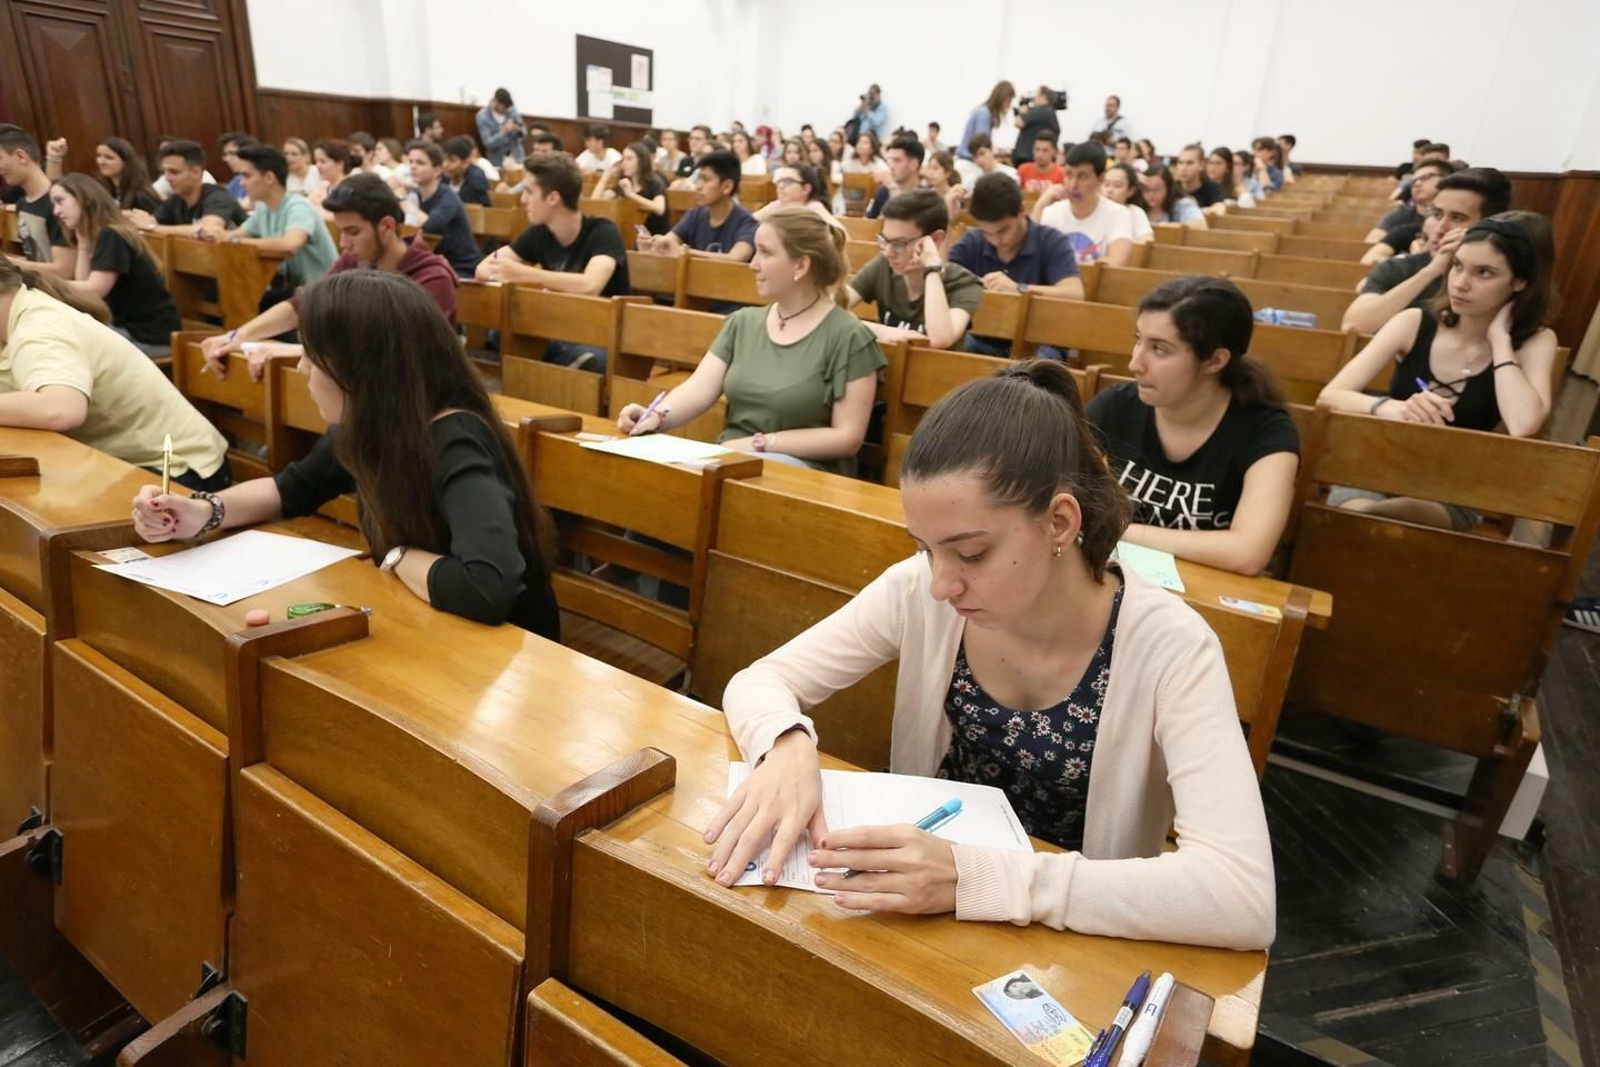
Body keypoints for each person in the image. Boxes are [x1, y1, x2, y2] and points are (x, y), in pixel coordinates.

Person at [704, 358, 1275, 950]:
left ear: (1060, 522)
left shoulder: (1171, 647)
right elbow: (761, 680)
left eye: (971, 554)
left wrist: (975, 878)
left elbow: (1241, 896)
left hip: (1080, 941)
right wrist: (785, 743)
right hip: (923, 916)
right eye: (926, 549)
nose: (940, 584)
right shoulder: (918, 593)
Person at [137, 271, 559, 637]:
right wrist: (201, 512)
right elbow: (291, 489)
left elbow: (485, 588)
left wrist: (394, 554)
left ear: (362, 369)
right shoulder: (374, 426)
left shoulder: (455, 440)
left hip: (506, 653)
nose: (301, 368)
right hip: (430, 621)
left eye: (313, 356)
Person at [1317, 213, 1557, 528]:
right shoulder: (1414, 321)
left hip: (1454, 486)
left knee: (1401, 515)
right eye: (1457, 266)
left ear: (1519, 282)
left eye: (1484, 273)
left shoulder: (1536, 341)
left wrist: (1500, 340)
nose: (1461, 283)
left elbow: (1523, 424)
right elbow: (1330, 395)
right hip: (1378, 464)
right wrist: (1391, 407)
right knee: (1360, 516)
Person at [620, 209, 884, 474]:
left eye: (765, 253)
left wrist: (760, 443)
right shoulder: (743, 322)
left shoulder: (848, 336)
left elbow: (847, 437)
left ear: (801, 265)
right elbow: (698, 389)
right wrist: (657, 416)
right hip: (731, 461)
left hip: (804, 474)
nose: (753, 264)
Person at [1087, 277, 1299, 574]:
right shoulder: (1116, 405)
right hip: (1117, 578)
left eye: (1159, 349)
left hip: (1207, 592)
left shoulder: (1266, 431)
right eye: (1138, 340)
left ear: (1215, 361)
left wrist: (1118, 529)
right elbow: (1051, 486)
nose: (1135, 363)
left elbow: (1248, 552)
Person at [0, 257, 229, 488]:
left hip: (177, 469)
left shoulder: (39, 327)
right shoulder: (18, 315)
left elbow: (61, 409)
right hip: (131, 461)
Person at [202, 175, 459, 380]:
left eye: (353, 232)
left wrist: (297, 351)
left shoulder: (433, 278)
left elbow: (395, 354)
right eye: (340, 231)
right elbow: (305, 304)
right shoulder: (355, 260)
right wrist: (237, 337)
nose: (343, 243)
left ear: (387, 226)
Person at [476, 153, 630, 374]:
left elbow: (590, 286)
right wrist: (504, 271)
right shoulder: (540, 232)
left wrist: (526, 274)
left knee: (594, 358)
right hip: (558, 327)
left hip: (602, 334)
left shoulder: (603, 231)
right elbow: (482, 269)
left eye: (529, 192)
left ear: (553, 198)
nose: (522, 199)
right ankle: (557, 368)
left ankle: (558, 369)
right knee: (502, 333)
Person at [1342, 167, 1512, 334]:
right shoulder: (1398, 267)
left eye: (1458, 218)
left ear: (1487, 226)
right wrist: (1431, 271)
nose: (1440, 228)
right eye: (1437, 215)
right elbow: (1353, 326)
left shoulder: (1501, 279)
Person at [950, 174, 1083, 356]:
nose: (996, 240)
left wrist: (1019, 289)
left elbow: (1075, 294)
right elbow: (943, 279)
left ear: (1021, 211)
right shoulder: (973, 240)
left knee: (1044, 362)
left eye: (1003, 230)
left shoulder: (1051, 240)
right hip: (981, 337)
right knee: (949, 345)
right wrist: (946, 222)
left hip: (1039, 342)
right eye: (988, 233)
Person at [49, 173, 180, 354]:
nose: (56, 211)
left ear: (83, 197)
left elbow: (95, 291)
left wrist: (45, 282)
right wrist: (83, 245)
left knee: (65, 345)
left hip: (148, 336)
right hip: (126, 330)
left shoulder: (112, 235)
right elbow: (84, 286)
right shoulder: (100, 235)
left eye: (60, 201)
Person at [846, 189, 981, 350]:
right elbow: (828, 308)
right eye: (884, 241)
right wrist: (883, 331)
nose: (888, 253)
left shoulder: (964, 283)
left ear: (935, 239)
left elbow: (939, 339)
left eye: (900, 244)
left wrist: (932, 268)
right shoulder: (883, 265)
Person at [223, 145, 339, 299]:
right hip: (296, 290)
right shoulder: (264, 209)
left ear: (269, 178)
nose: (242, 183)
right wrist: (218, 234)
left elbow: (290, 245)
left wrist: (236, 241)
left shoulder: (298, 206)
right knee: (235, 295)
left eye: (247, 176)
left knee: (246, 301)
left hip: (324, 293)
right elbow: (234, 235)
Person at [642, 151, 758, 262]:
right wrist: (655, 243)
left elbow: (736, 258)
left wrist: (685, 253)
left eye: (706, 180)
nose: (698, 186)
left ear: (727, 187)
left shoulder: (746, 222)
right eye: (699, 179)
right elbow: (670, 240)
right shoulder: (695, 215)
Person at [1032, 143, 1134, 267]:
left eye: (1082, 177)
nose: (1073, 185)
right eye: (1069, 175)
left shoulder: (1118, 213)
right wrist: (1039, 206)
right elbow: (1030, 257)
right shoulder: (1052, 212)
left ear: (1100, 179)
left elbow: (1117, 262)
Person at [128, 140, 247, 238]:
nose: (167, 178)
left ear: (196, 172)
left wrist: (152, 227)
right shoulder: (176, 200)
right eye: (165, 172)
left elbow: (207, 230)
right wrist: (137, 219)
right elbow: (150, 222)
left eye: (174, 172)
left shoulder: (217, 197)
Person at [1, 125, 74, 277]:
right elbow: (34, 259)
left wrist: (9, 263)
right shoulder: (22, 204)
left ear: (21, 156)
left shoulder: (58, 205)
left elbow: (65, 270)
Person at [404, 140, 481, 278]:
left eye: (420, 163)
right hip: (433, 265)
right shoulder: (414, 195)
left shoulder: (448, 198)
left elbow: (429, 228)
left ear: (437, 170)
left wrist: (407, 206)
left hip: (461, 269)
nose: (413, 167)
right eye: (410, 162)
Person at [1362, 158, 1450, 258]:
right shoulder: (1400, 216)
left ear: (1445, 180)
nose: (1417, 184)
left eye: (1425, 178)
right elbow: (1370, 247)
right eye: (1414, 181)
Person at [592, 141, 669, 236]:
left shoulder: (655, 182)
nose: (624, 163)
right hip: (632, 235)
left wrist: (631, 195)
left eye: (629, 159)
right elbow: (594, 203)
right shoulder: (624, 184)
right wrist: (606, 176)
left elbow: (659, 209)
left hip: (656, 236)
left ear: (641, 161)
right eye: (623, 159)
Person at [755, 163, 837, 228]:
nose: (781, 186)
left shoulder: (813, 208)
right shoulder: (778, 205)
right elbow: (750, 222)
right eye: (779, 181)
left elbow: (840, 233)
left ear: (806, 189)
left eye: (788, 181)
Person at [91, 137, 161, 213]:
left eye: (109, 158)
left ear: (125, 161)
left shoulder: (141, 195)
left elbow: (157, 218)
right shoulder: (101, 188)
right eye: (98, 156)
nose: (101, 162)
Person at [866, 135, 925, 219]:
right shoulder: (884, 192)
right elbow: (868, 222)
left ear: (913, 164)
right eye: (890, 160)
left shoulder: (926, 199)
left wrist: (893, 187)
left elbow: (904, 221)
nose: (891, 166)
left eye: (897, 160)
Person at [959, 82, 1014, 162]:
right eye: (1008, 101)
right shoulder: (984, 114)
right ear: (1001, 99)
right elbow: (981, 145)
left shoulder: (983, 112)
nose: (1009, 105)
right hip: (968, 160)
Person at [1101, 162, 1155, 244]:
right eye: (1106, 184)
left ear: (1130, 191)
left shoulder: (1135, 212)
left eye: (1117, 185)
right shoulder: (1094, 210)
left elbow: (1147, 239)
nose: (1109, 190)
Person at [1139, 165, 1205, 229]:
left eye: (1157, 188)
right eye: (1146, 189)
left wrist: (1161, 226)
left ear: (1168, 188)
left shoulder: (1182, 204)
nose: (1151, 194)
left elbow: (1200, 225)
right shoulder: (1137, 207)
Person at [476, 88, 526, 168]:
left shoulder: (512, 110)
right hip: (497, 161)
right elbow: (488, 143)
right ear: (496, 103)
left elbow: (524, 132)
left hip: (517, 158)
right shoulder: (483, 116)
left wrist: (518, 129)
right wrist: (504, 132)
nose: (506, 110)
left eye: (507, 108)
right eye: (503, 108)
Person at [1013, 86, 1063, 164]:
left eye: (1036, 94)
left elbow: (1018, 123)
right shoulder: (1050, 112)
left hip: (1027, 157)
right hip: (1039, 158)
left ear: (1043, 96)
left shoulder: (1039, 110)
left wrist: (1022, 112)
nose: (1034, 97)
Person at [440, 136, 492, 207]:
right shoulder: (444, 177)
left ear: (465, 162)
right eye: (444, 159)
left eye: (451, 160)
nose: (445, 164)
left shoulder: (476, 180)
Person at [1174, 144, 1226, 214]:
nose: (1183, 168)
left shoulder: (1212, 188)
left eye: (1190, 163)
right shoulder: (1171, 188)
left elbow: (1219, 210)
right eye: (1180, 162)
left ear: (1201, 165)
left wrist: (1191, 212)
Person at [310, 139, 352, 207]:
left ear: (340, 164)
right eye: (316, 161)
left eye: (323, 162)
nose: (318, 166)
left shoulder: (350, 189)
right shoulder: (322, 188)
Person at [216, 132, 255, 203]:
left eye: (232, 153)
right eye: (225, 154)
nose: (227, 159)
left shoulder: (261, 179)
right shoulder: (236, 181)